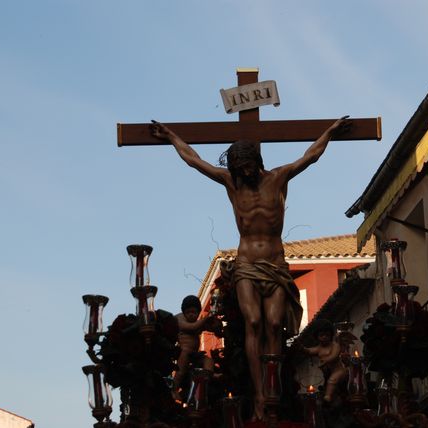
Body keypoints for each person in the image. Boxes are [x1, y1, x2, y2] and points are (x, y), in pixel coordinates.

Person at [150, 116, 351, 419]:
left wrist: (331, 133)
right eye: (237, 168)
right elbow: (195, 161)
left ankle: (274, 392)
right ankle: (259, 395)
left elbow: (310, 156)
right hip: (246, 264)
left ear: (256, 161)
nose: (242, 172)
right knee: (253, 323)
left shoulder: (279, 177)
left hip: (275, 263)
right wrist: (171, 137)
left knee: (274, 325)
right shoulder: (231, 183)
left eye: (246, 166)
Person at [172, 295, 220, 401]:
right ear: (184, 312)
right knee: (180, 371)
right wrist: (206, 317)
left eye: (194, 312)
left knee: (208, 360)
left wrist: (215, 323)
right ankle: (174, 389)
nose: (191, 315)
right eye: (188, 312)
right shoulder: (179, 319)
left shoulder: (198, 322)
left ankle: (209, 375)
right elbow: (192, 327)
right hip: (184, 351)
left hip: (195, 353)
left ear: (198, 312)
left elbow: (212, 328)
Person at [297, 319, 347, 402]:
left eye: (327, 335)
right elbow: (309, 351)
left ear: (331, 335)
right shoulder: (318, 348)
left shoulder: (335, 345)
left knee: (332, 380)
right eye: (321, 335)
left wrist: (326, 361)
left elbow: (334, 355)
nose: (324, 337)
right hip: (326, 372)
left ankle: (328, 396)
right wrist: (301, 348)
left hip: (338, 370)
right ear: (317, 336)